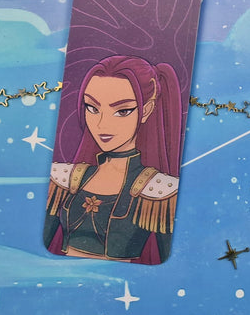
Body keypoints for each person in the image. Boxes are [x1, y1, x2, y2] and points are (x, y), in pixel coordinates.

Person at [43, 55, 183, 264]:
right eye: (92, 108)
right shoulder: (65, 178)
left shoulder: (160, 190)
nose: (102, 124)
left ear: (146, 110)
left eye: (122, 111)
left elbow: (170, 263)